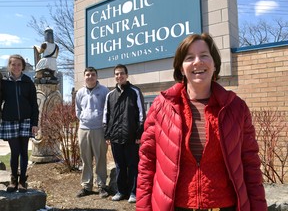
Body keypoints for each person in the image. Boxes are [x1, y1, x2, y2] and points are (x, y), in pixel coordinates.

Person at [136, 33, 267, 211]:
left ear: (214, 64)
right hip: (176, 206)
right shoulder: (161, 106)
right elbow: (147, 164)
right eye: (189, 57)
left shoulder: (236, 108)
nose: (198, 62)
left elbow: (250, 165)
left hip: (225, 206)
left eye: (204, 55)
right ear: (181, 68)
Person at [103, 64, 146, 203]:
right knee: (120, 166)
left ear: (126, 75)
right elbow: (106, 116)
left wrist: (139, 135)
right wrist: (107, 135)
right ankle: (121, 191)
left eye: (121, 73)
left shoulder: (135, 92)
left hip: (131, 137)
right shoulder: (110, 95)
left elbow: (141, 115)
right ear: (114, 76)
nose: (119, 76)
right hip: (115, 137)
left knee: (133, 165)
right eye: (116, 74)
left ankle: (134, 193)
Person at [0, 54, 39, 193]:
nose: (16, 67)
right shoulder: (4, 83)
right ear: (9, 66)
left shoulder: (28, 82)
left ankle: (22, 181)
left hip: (26, 120)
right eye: (13, 64)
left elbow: (34, 104)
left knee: (23, 152)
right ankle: (13, 180)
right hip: (9, 120)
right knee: (14, 151)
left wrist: (35, 123)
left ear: (23, 66)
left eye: (19, 64)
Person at [75, 67, 110, 198]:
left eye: (93, 75)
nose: (90, 77)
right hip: (83, 129)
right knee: (86, 159)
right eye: (87, 75)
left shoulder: (104, 91)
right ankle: (86, 186)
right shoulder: (80, 92)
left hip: (99, 129)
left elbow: (108, 109)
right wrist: (84, 118)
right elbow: (78, 110)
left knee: (100, 158)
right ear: (84, 77)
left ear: (96, 76)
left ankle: (101, 186)